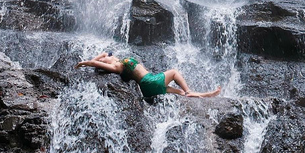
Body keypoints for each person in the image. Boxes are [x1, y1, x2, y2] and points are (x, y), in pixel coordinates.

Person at [75, 52, 221, 98]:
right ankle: (189, 91)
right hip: (149, 81)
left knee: (178, 92)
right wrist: (83, 63)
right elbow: (95, 63)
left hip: (147, 89)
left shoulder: (117, 62)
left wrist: (104, 55)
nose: (106, 56)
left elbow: (104, 55)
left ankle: (204, 94)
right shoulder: (115, 67)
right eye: (104, 58)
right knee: (174, 72)